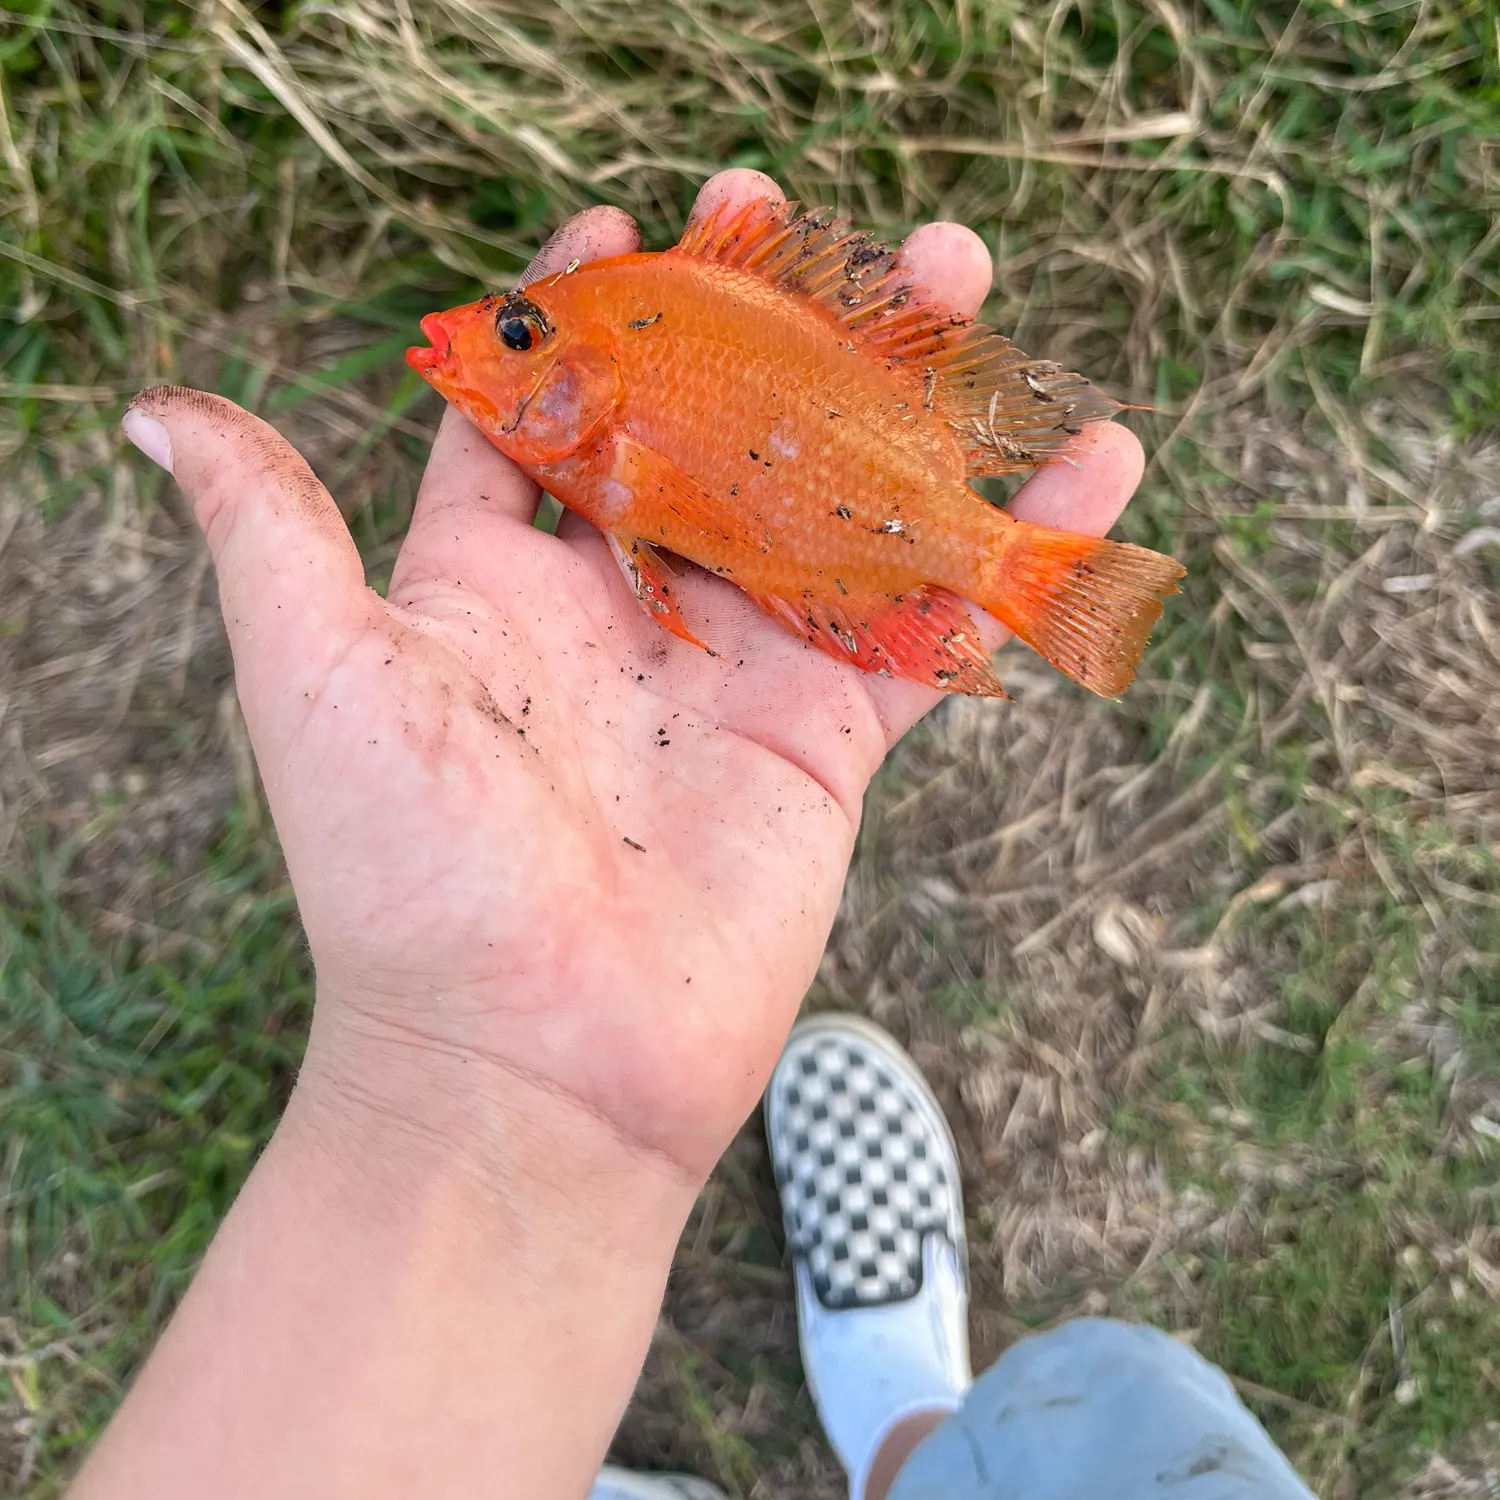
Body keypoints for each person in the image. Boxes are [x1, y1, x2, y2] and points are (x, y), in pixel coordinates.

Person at [74, 168, 1313, 1500]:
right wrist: (469, 1064)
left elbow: (659, 506)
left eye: (516, 335)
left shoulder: (627, 372)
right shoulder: (604, 386)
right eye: (516, 327)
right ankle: (905, 1428)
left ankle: (890, 1426)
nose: (471, 340)